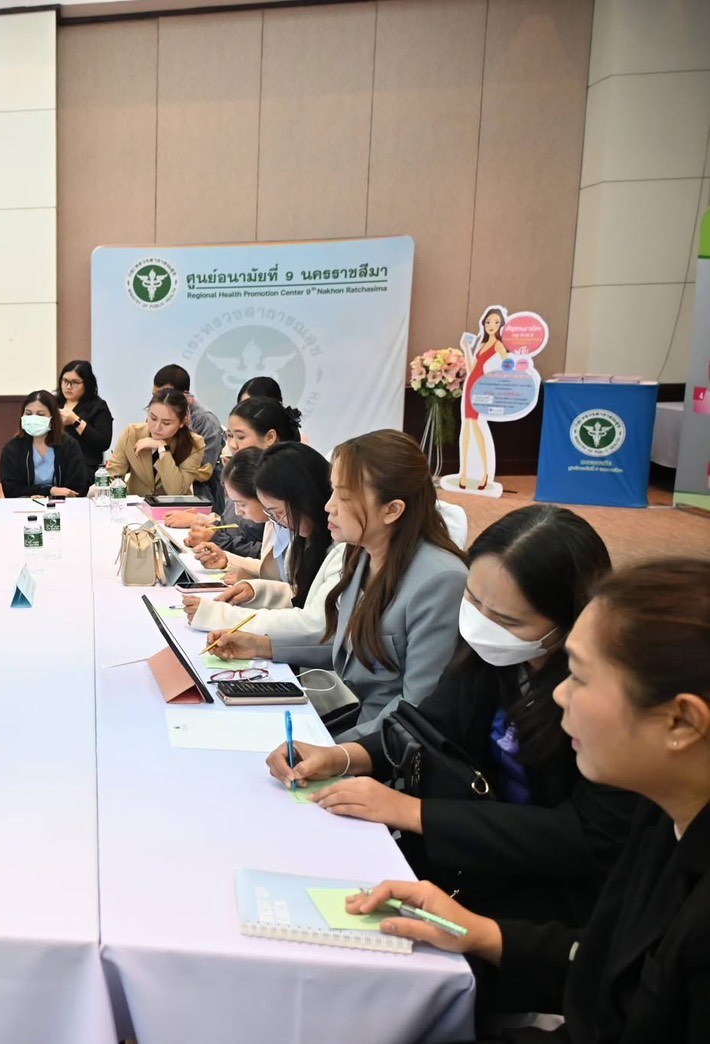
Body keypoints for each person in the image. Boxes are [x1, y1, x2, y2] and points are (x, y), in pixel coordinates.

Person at [345, 559, 710, 1044]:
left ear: (682, 722)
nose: (558, 694)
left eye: (579, 676)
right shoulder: (663, 817)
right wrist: (480, 933)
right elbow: (604, 963)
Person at [267, 505, 638, 927]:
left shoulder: (597, 700)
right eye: (473, 600)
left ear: (572, 619)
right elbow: (429, 723)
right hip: (471, 859)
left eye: (507, 620)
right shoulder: (490, 657)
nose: (482, 624)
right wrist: (342, 756)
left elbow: (586, 835)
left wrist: (414, 812)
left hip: (545, 896)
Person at [207, 430, 468, 739]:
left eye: (344, 497)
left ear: (392, 509)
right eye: (332, 491)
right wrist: (261, 646)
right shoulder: (360, 554)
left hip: (387, 741)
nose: (328, 506)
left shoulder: (440, 580)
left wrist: (339, 754)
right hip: (365, 722)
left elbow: (416, 710)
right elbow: (350, 642)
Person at [185, 442, 340, 638]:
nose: (330, 506)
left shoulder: (341, 548)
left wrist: (223, 616)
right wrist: (257, 591)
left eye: (343, 496)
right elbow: (301, 595)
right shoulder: (300, 532)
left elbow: (315, 624)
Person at [165, 394, 303, 545]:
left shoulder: (281, 484)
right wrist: (207, 524)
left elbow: (272, 551)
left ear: (270, 437)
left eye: (241, 437)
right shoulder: (243, 470)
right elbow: (233, 525)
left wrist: (218, 539)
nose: (232, 445)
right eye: (229, 436)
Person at [104, 388, 213, 497]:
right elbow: (112, 477)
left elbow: (177, 491)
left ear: (181, 423)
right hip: (136, 504)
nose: (157, 427)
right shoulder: (132, 434)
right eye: (153, 418)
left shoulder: (194, 444)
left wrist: (162, 448)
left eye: (166, 423)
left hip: (174, 506)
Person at [0, 389, 89, 498]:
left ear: (52, 418)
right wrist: (49, 491)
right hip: (26, 504)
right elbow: (10, 490)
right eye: (28, 413)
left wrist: (54, 497)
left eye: (40, 414)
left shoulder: (69, 446)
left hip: (63, 504)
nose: (33, 419)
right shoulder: (12, 449)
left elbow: (78, 488)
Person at [459, 305, 509, 491]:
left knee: (476, 426)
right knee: (468, 427)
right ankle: (464, 472)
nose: (491, 325)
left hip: (483, 386)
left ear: (501, 325)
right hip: (471, 385)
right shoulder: (481, 345)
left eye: (495, 322)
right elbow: (471, 368)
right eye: (488, 322)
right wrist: (466, 348)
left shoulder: (498, 345)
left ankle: (485, 473)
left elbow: (507, 365)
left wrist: (494, 381)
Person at [153, 363, 225, 462]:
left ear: (185, 395)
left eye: (165, 396)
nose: (159, 402)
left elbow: (205, 466)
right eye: (155, 396)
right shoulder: (156, 412)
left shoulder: (205, 421)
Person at [55, 360, 114, 475]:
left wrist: (75, 421)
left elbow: (103, 442)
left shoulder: (98, 406)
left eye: (75, 382)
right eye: (65, 381)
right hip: (54, 467)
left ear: (87, 384)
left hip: (85, 470)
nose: (68, 387)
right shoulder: (54, 403)